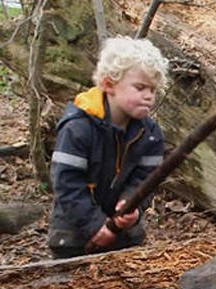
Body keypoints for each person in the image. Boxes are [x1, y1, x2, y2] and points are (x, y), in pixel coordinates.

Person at [47, 37, 169, 259]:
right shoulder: (78, 128)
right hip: (72, 235)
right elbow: (66, 183)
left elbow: (147, 179)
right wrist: (94, 225)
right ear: (108, 84)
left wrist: (132, 204)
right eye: (140, 87)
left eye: (152, 89)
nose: (149, 96)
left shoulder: (150, 135)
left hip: (123, 236)